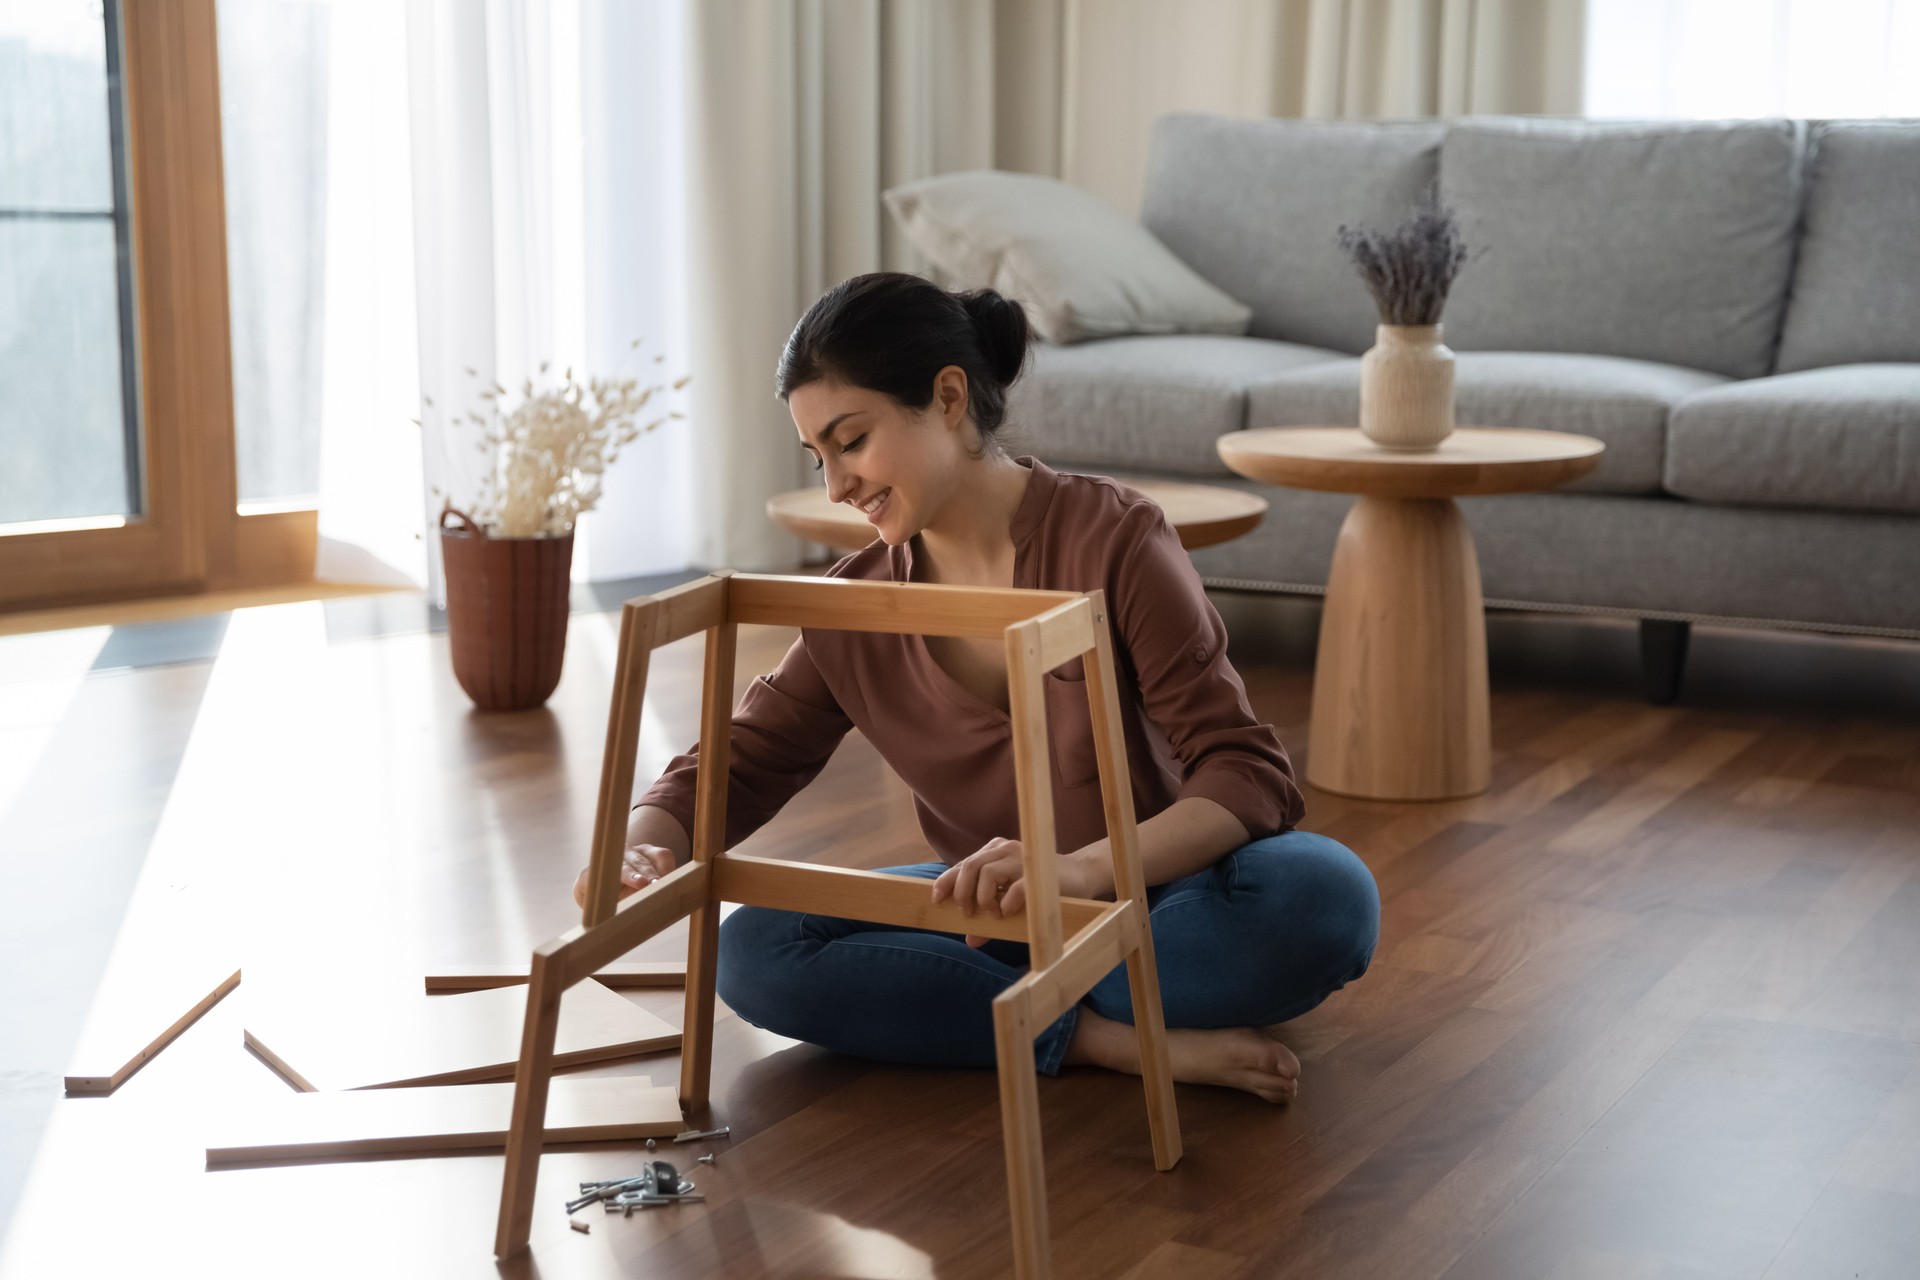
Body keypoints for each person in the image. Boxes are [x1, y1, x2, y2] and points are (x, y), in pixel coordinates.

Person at [572, 272, 1379, 1104]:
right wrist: (644, 845)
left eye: (851, 441)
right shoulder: (855, 604)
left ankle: (992, 1006)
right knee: (755, 950)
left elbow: (1245, 770)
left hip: (1162, 892)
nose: (836, 486)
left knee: (1323, 895)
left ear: (948, 397)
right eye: (817, 456)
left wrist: (1084, 873)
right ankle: (1103, 1038)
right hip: (991, 917)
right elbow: (734, 765)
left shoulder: (1117, 540)